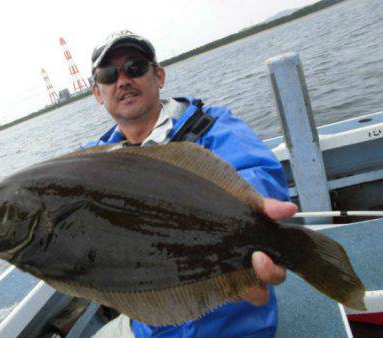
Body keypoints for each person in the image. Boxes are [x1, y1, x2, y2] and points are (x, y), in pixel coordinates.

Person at [84, 30, 298, 338]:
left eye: (135, 67)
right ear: (97, 92)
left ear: (158, 76)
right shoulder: (93, 161)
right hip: (148, 328)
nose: (123, 80)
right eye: (108, 74)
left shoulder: (213, 126)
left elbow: (254, 174)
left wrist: (252, 210)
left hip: (230, 326)